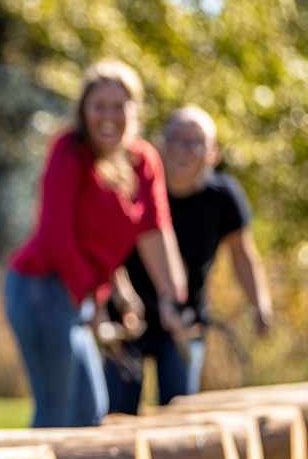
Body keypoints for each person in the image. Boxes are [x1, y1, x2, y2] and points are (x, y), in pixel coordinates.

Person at [3, 59, 187, 428]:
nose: (109, 116)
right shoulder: (69, 152)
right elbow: (58, 238)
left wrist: (172, 298)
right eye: (98, 106)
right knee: (57, 408)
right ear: (83, 111)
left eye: (119, 106)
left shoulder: (144, 162)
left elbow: (154, 231)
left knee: (90, 410)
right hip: (40, 291)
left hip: (78, 295)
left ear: (134, 110)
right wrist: (95, 301)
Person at [103, 105, 272, 413]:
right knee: (117, 415)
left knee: (180, 416)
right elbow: (107, 249)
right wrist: (121, 296)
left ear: (213, 153)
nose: (184, 149)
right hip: (127, 321)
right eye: (176, 139)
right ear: (161, 145)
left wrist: (259, 302)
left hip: (184, 323)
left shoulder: (223, 197)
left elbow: (242, 254)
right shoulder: (136, 187)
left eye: (195, 142)